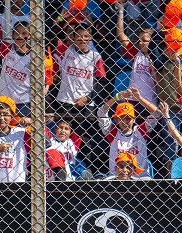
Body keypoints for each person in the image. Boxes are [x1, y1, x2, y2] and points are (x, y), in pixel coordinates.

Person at [53, 24, 107, 168]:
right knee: (62, 134)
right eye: (79, 36)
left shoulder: (95, 56)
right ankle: (62, 164)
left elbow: (101, 83)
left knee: (86, 139)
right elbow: (54, 37)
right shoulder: (65, 50)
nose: (82, 39)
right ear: (73, 37)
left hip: (86, 105)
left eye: (86, 36)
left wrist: (87, 98)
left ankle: (86, 169)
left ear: (90, 38)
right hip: (65, 101)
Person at [98, 89, 160, 177]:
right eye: (121, 118)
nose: (125, 122)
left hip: (140, 178)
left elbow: (157, 113)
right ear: (116, 120)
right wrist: (117, 97)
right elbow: (101, 112)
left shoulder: (140, 131)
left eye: (128, 118)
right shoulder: (113, 132)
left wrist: (140, 98)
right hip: (116, 178)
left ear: (134, 119)